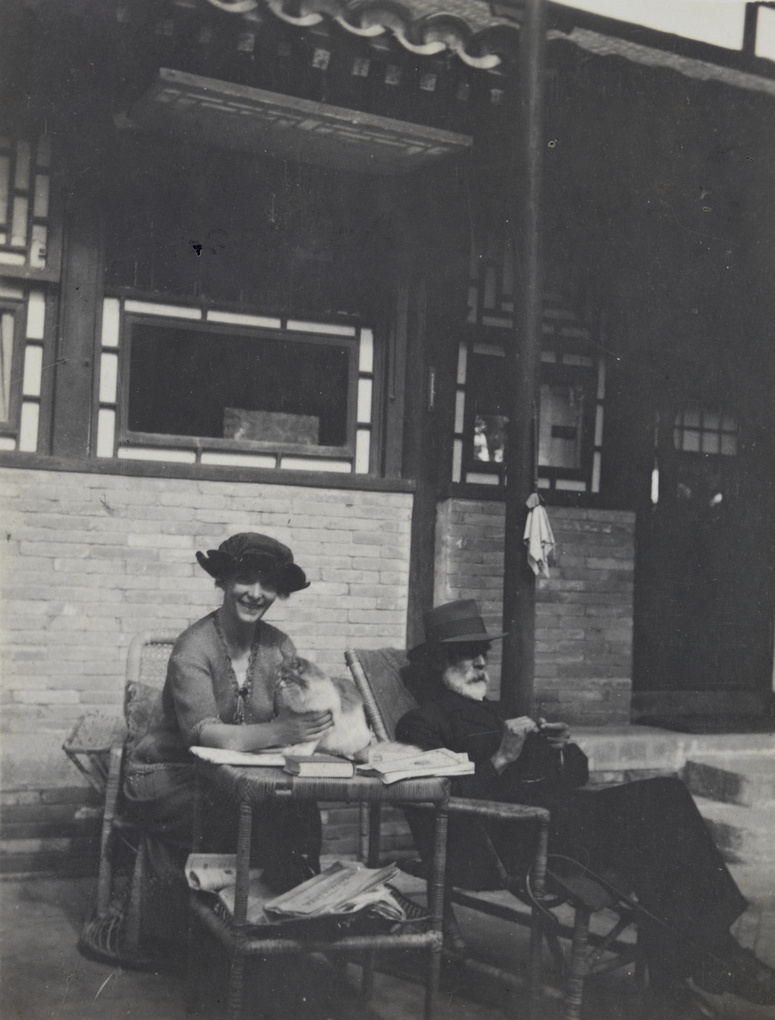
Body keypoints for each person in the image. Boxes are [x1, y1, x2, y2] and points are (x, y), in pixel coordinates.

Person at [395, 599, 775, 1007]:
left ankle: (686, 971)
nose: (481, 664)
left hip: (559, 822)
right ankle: (713, 959)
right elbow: (441, 798)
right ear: (438, 664)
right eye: (466, 656)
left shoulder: (498, 711)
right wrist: (502, 757)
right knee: (662, 804)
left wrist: (560, 749)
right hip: (507, 841)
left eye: (483, 654)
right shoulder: (424, 722)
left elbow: (577, 773)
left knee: (662, 825)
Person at [121, 533, 334, 949]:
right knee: (245, 812)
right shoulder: (193, 647)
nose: (256, 593)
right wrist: (282, 733)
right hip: (166, 775)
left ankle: (292, 921)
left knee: (301, 806)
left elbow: (294, 715)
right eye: (244, 579)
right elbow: (206, 733)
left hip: (235, 774)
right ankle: (214, 934)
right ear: (223, 581)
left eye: (268, 584)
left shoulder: (278, 647)